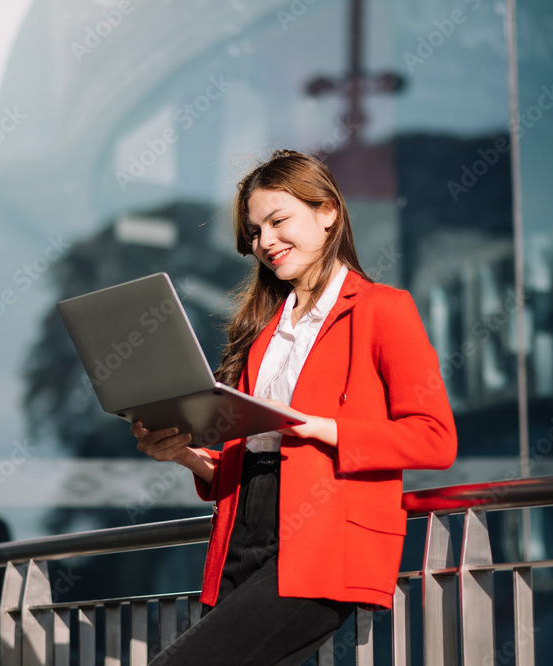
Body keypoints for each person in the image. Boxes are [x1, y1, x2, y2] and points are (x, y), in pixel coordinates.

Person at [132, 149, 457, 665]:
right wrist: (189, 457)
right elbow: (257, 449)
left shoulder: (383, 310)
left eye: (278, 221)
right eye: (255, 232)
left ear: (327, 211)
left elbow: (435, 438)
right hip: (242, 531)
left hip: (323, 542)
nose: (265, 242)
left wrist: (321, 427)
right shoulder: (263, 331)